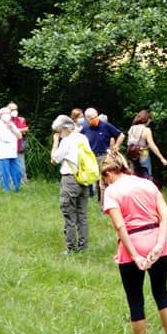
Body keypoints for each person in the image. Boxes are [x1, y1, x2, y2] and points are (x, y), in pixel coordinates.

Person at [101, 152, 167, 334]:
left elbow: (119, 225)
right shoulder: (148, 183)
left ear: (109, 173)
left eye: (104, 178)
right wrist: (160, 244)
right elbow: (166, 215)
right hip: (157, 241)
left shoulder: (111, 191)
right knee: (161, 293)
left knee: (135, 299)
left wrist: (135, 255)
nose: (105, 182)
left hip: (132, 243)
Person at [50, 115, 90, 253]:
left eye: (60, 131)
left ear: (66, 128)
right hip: (84, 177)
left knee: (69, 214)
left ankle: (71, 248)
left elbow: (54, 159)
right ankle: (83, 246)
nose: (60, 134)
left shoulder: (66, 141)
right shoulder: (83, 138)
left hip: (70, 179)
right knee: (82, 214)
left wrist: (55, 142)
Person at [81, 107, 124, 201]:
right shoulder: (84, 128)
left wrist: (116, 146)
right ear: (87, 119)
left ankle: (107, 202)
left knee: (104, 180)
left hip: (104, 156)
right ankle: (100, 201)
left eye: (96, 116)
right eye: (92, 118)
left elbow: (121, 135)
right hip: (91, 157)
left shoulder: (105, 125)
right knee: (96, 181)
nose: (95, 119)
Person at [126, 110, 167, 181]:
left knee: (135, 176)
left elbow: (130, 143)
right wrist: (161, 158)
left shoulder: (131, 129)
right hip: (143, 154)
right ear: (147, 119)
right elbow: (152, 145)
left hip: (132, 155)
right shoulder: (146, 130)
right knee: (146, 176)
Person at [0, 107, 24, 192]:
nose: (7, 115)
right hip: (2, 152)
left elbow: (19, 136)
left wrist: (12, 128)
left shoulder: (12, 124)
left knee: (18, 171)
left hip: (13, 152)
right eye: (5, 113)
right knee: (4, 173)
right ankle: (6, 189)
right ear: (1, 115)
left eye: (8, 113)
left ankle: (16, 188)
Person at [8, 102, 30, 182]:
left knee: (22, 167)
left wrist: (13, 130)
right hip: (8, 147)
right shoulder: (6, 120)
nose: (14, 111)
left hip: (19, 146)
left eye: (15, 109)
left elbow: (25, 131)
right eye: (12, 109)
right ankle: (12, 182)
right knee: (10, 166)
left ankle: (24, 181)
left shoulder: (21, 119)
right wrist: (19, 130)